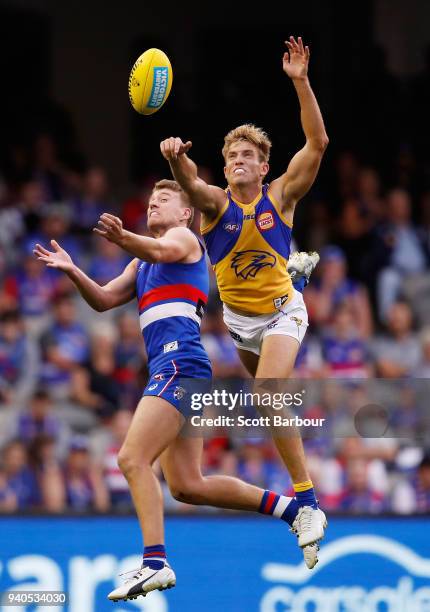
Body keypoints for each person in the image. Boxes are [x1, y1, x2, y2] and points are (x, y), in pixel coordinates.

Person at [34, 179, 323, 604]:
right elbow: (101, 299)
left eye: (164, 199)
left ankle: (154, 562)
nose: (153, 202)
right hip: (182, 370)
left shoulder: (184, 239)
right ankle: (292, 510)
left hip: (178, 365)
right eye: (150, 199)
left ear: (186, 213)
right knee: (187, 485)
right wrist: (74, 269)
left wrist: (122, 237)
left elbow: (160, 249)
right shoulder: (141, 264)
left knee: (132, 458)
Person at [161, 36, 328, 564]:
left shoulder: (280, 196)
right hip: (239, 321)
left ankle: (307, 501)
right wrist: (176, 160)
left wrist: (300, 82)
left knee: (269, 393)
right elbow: (190, 183)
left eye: (247, 156)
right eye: (231, 155)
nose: (237, 161)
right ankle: (295, 274)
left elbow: (318, 143)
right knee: (266, 397)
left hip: (281, 312)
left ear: (263, 166)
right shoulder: (213, 205)